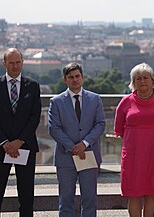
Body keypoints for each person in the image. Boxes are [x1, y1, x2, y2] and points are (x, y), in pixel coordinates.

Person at [0, 48, 41, 217]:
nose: (15, 66)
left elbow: (35, 117)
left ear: (22, 62)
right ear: (4, 64)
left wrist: (19, 141)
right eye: (11, 63)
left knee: (26, 195)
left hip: (25, 146)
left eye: (18, 62)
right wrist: (5, 143)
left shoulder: (33, 86)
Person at [114, 63, 154, 217]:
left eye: (145, 78)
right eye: (138, 78)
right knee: (133, 193)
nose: (142, 81)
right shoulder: (125, 101)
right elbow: (119, 129)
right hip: (133, 155)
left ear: (152, 80)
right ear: (133, 82)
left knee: (151, 192)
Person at [48, 62, 106, 217]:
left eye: (77, 76)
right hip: (66, 157)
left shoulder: (95, 99)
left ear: (83, 78)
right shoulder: (56, 101)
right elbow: (54, 128)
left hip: (89, 154)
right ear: (65, 80)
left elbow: (100, 124)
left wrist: (84, 144)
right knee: (66, 200)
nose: (74, 80)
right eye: (71, 77)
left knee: (90, 199)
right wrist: (73, 147)